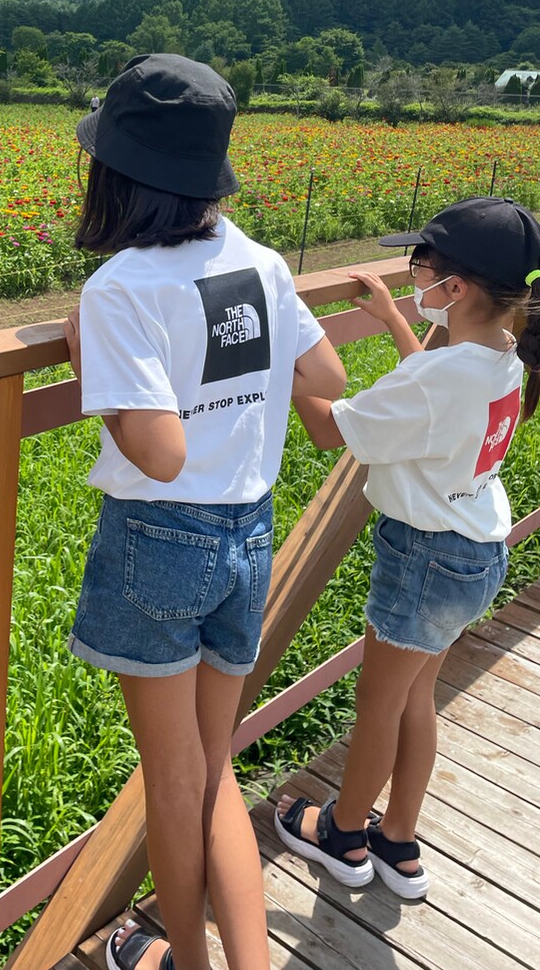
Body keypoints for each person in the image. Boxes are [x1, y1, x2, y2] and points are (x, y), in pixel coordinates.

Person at [61, 53, 346, 970]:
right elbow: (328, 378)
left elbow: (161, 450)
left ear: (122, 175)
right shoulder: (260, 260)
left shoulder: (120, 289)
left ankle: (186, 957)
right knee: (213, 765)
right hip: (248, 533)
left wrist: (91, 370)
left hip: (160, 540)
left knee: (176, 777)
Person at [276, 196, 540, 898]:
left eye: (419, 266)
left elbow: (332, 427)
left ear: (455, 289)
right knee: (416, 696)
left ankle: (345, 835)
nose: (411, 273)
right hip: (476, 550)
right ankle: (399, 839)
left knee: (379, 705)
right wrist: (397, 317)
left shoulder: (441, 375)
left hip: (424, 557)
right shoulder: (506, 355)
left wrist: (287, 353)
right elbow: (426, 400)